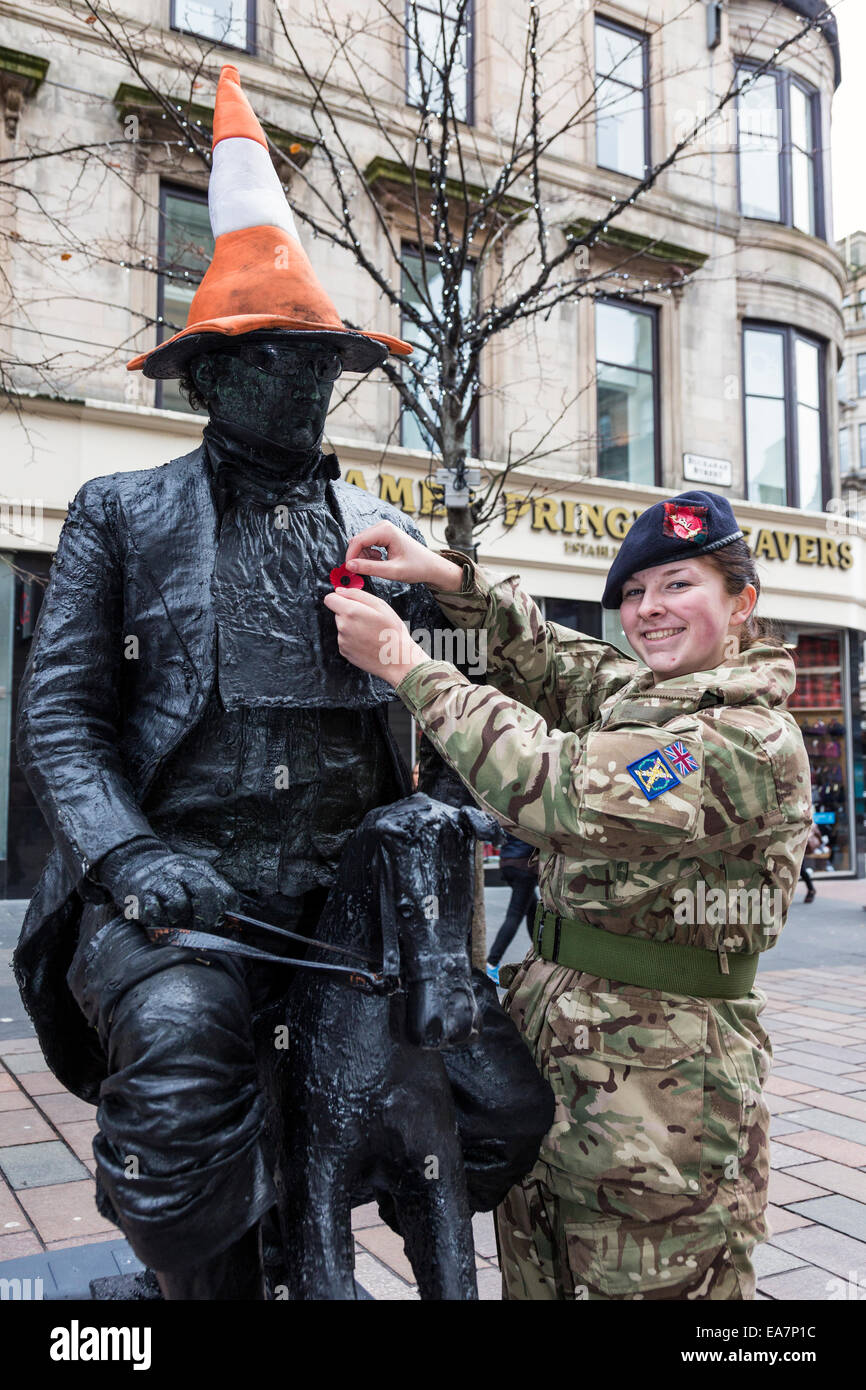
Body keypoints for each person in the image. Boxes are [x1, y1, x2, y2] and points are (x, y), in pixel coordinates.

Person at [324, 489, 813, 1300]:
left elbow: (565, 795)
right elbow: (548, 654)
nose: (648, 610)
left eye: (678, 585)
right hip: (561, 1071)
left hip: (662, 1106)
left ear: (742, 603)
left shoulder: (741, 739)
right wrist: (446, 575)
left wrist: (408, 664)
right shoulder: (643, 694)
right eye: (633, 593)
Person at [487, 831, 539, 984]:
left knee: (532, 909)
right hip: (524, 865)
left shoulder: (512, 809)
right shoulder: (531, 812)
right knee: (514, 915)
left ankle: (538, 953)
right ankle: (491, 963)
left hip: (507, 862)